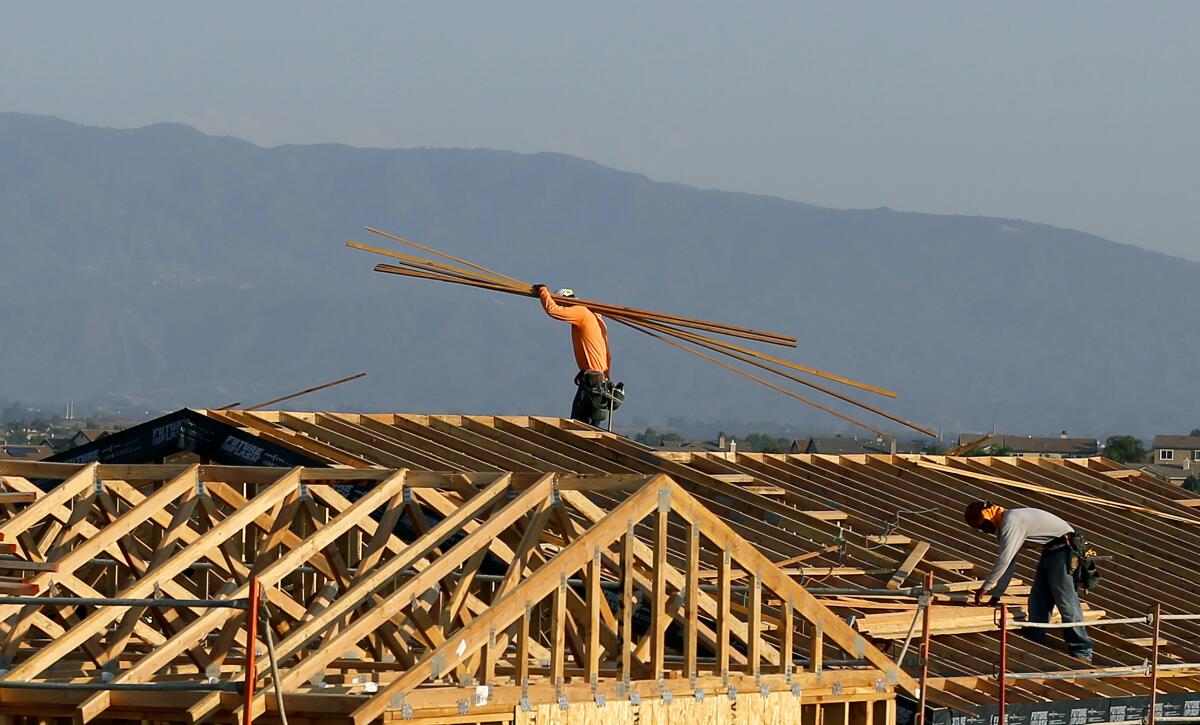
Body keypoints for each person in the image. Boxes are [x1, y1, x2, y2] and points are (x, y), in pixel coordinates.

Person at [963, 500, 1094, 662]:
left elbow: (1004, 561)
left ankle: (1082, 650)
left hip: (1064, 551)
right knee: (1038, 601)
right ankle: (1035, 642)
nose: (984, 531)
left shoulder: (1011, 521)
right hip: (1051, 551)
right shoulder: (1007, 523)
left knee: (1066, 602)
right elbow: (1009, 563)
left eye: (983, 525)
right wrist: (996, 596)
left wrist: (986, 587)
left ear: (988, 515)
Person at [533, 284, 612, 426]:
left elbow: (552, 310)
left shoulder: (580, 312)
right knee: (591, 426)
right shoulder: (595, 316)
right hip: (600, 379)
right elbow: (608, 354)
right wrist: (607, 377)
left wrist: (542, 291)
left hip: (592, 381)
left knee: (577, 424)